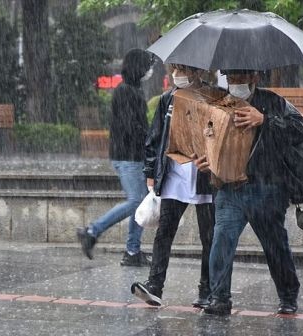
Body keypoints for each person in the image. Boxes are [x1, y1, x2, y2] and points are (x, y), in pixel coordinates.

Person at [195, 69, 303, 316]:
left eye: (241, 77)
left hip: (266, 186)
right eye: (230, 77)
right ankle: (219, 297)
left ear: (255, 77)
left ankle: (288, 296)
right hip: (228, 188)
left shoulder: (273, 102)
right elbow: (204, 138)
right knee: (221, 242)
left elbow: (299, 128)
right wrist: (204, 161)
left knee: (275, 244)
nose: (235, 82)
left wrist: (265, 120)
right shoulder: (218, 103)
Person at [131, 64, 216, 307]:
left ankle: (206, 290)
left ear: (197, 72)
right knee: (164, 232)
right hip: (173, 176)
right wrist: (150, 171)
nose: (177, 73)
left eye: (183, 69)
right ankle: (154, 286)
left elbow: (219, 135)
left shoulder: (213, 98)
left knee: (208, 237)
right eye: (174, 68)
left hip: (203, 178)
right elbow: (154, 137)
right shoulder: (167, 100)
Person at [76, 48, 154, 267]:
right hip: (127, 155)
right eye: (147, 66)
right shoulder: (126, 91)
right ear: (139, 67)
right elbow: (131, 126)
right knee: (136, 201)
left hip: (133, 155)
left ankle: (132, 251)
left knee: (140, 203)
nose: (149, 71)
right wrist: (150, 138)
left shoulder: (133, 89)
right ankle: (92, 231)